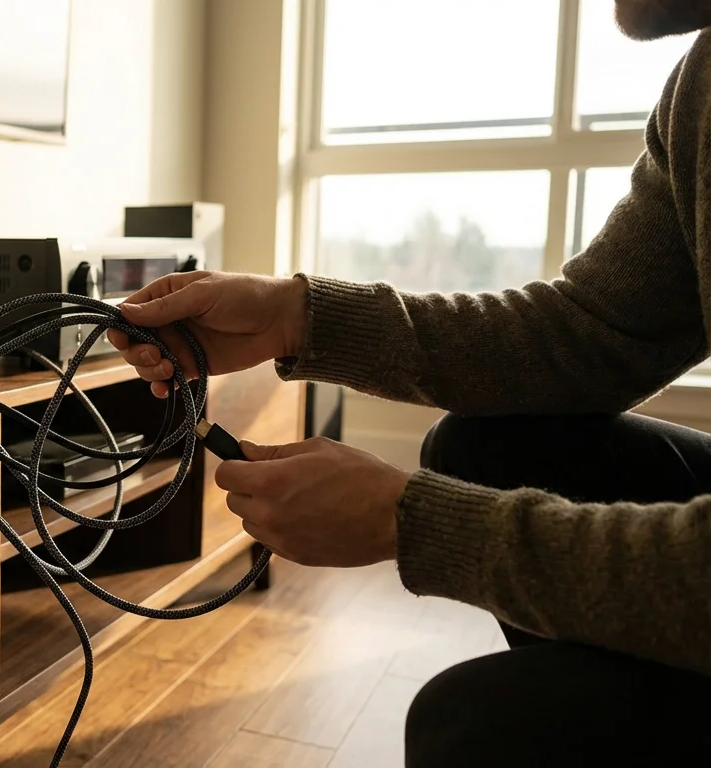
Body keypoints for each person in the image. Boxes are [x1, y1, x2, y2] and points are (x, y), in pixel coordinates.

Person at [107, 3, 711, 766]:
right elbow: (588, 332)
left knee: (479, 726)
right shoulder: (702, 86)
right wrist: (296, 318)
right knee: (481, 445)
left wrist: (415, 522)